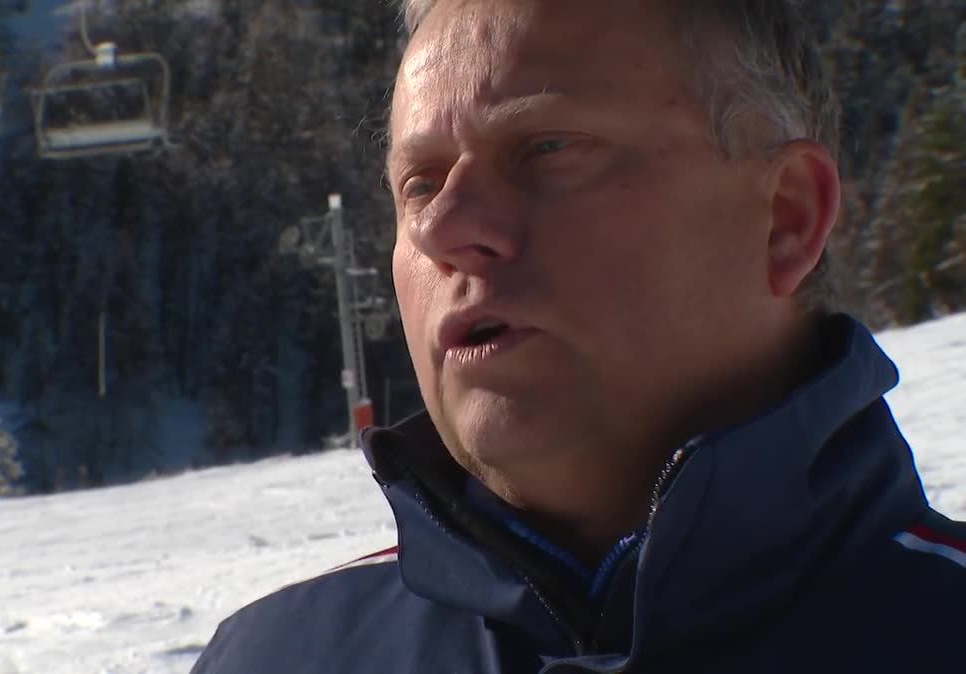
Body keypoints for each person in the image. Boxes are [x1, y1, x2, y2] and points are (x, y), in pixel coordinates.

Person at [192, 1, 966, 672]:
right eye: (420, 183)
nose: (445, 227)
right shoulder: (276, 657)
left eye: (547, 148)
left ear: (786, 217)